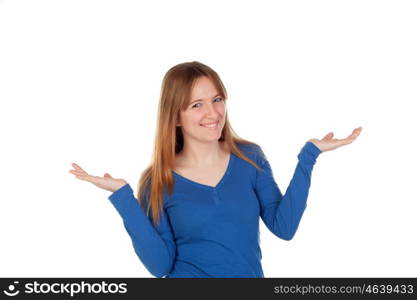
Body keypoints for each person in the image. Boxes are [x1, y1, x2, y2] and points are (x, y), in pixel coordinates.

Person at [69, 61, 362, 278]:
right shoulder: (159, 181)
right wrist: (123, 198)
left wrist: (309, 156)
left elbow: (283, 227)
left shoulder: (250, 158)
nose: (212, 113)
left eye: (217, 99)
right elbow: (159, 266)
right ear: (176, 117)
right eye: (197, 105)